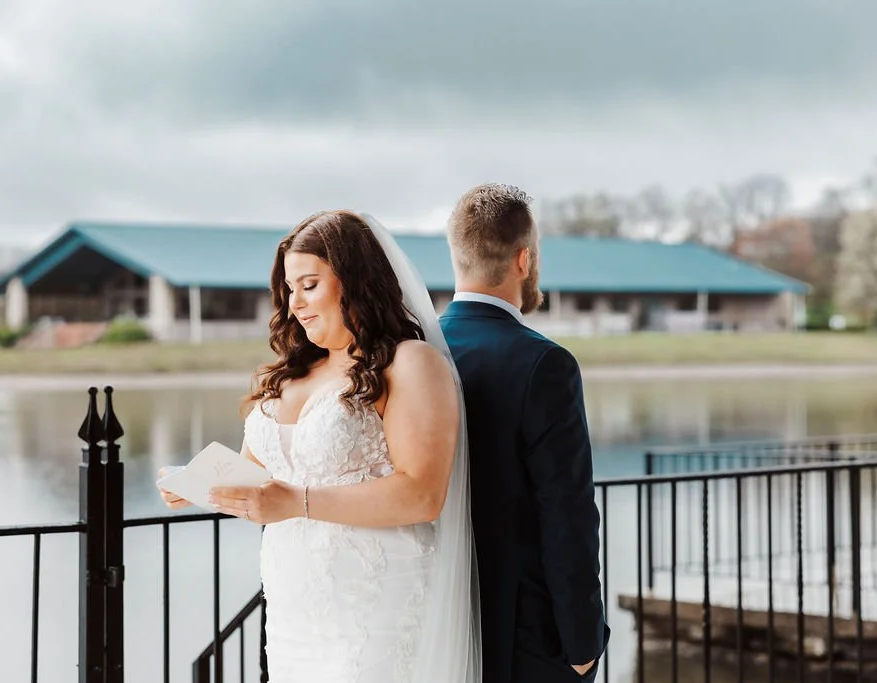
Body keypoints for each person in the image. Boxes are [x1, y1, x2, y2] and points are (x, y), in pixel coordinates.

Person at [157, 210, 481, 683]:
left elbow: (422, 494)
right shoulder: (291, 373)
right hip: (293, 610)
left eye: (309, 285)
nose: (295, 304)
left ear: (355, 280)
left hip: (377, 604)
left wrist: (296, 502)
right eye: (290, 289)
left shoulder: (410, 364)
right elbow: (259, 480)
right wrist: (197, 483)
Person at [439, 183, 610, 683]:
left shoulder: (412, 351)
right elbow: (567, 514)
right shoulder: (544, 364)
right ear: (524, 260)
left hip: (438, 616)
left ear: (457, 258)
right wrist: (581, 639)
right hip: (524, 632)